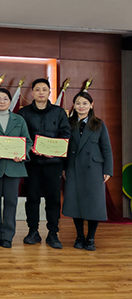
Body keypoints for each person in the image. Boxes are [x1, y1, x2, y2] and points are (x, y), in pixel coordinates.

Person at [18, 78, 71, 249]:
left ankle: (53, 233)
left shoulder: (59, 112)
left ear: (49, 92)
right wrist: (31, 148)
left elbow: (66, 134)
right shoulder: (24, 113)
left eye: (44, 89)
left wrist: (54, 150)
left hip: (53, 163)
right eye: (37, 89)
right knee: (32, 198)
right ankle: (33, 231)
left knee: (53, 199)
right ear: (32, 92)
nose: (41, 92)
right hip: (32, 163)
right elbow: (20, 136)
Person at [63, 91, 113, 251]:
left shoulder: (99, 124)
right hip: (73, 168)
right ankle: (79, 236)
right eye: (78, 103)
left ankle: (90, 238)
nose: (81, 106)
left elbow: (106, 149)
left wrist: (108, 170)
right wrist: (63, 168)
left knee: (93, 204)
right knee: (75, 203)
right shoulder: (68, 123)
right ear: (74, 105)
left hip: (95, 169)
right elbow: (63, 147)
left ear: (91, 105)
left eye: (85, 103)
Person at [0, 88, 32, 248]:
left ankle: (7, 236)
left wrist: (22, 154)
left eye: (5, 99)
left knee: (11, 202)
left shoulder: (19, 120)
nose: (2, 101)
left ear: (10, 101)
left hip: (14, 167)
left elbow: (28, 142)